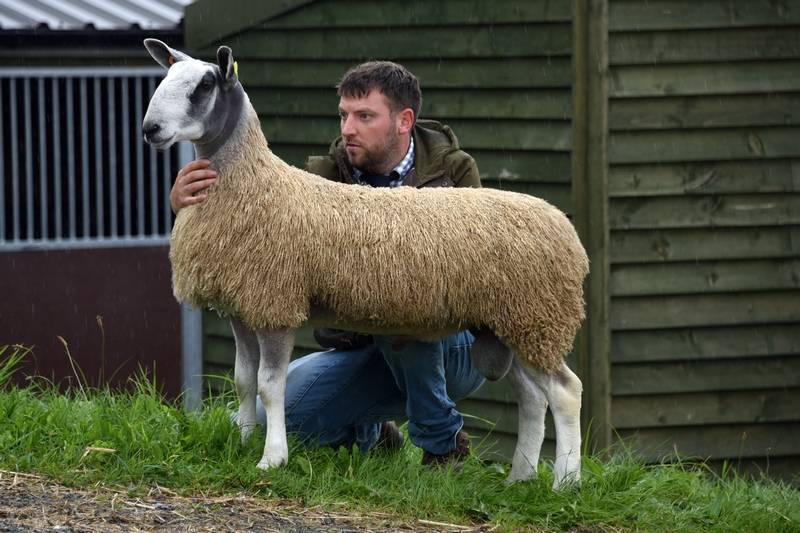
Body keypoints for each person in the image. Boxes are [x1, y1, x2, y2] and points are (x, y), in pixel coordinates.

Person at [170, 61, 485, 465]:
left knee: (401, 301)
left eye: (364, 116)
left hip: (448, 342)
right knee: (276, 418)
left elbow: (478, 262)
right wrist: (184, 205)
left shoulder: (453, 172)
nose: (348, 128)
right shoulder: (327, 175)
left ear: (404, 120)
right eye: (343, 115)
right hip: (359, 344)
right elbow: (257, 252)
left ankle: (442, 445)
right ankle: (370, 433)